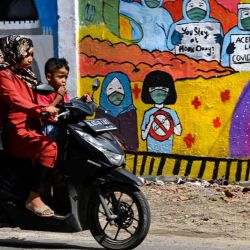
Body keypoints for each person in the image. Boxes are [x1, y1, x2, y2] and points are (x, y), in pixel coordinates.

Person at [0, 35, 58, 217]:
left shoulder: (26, 75)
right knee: (49, 148)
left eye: (31, 54)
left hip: (32, 126)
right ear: (13, 53)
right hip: (16, 131)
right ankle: (33, 198)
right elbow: (16, 101)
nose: (30, 59)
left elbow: (44, 95)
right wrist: (41, 110)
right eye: (26, 54)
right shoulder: (4, 75)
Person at [37, 57, 91, 141]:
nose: (64, 81)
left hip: (63, 125)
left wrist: (81, 100)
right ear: (49, 77)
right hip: (50, 128)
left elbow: (67, 105)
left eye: (66, 77)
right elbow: (44, 113)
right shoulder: (44, 92)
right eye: (61, 77)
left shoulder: (62, 91)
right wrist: (58, 97)